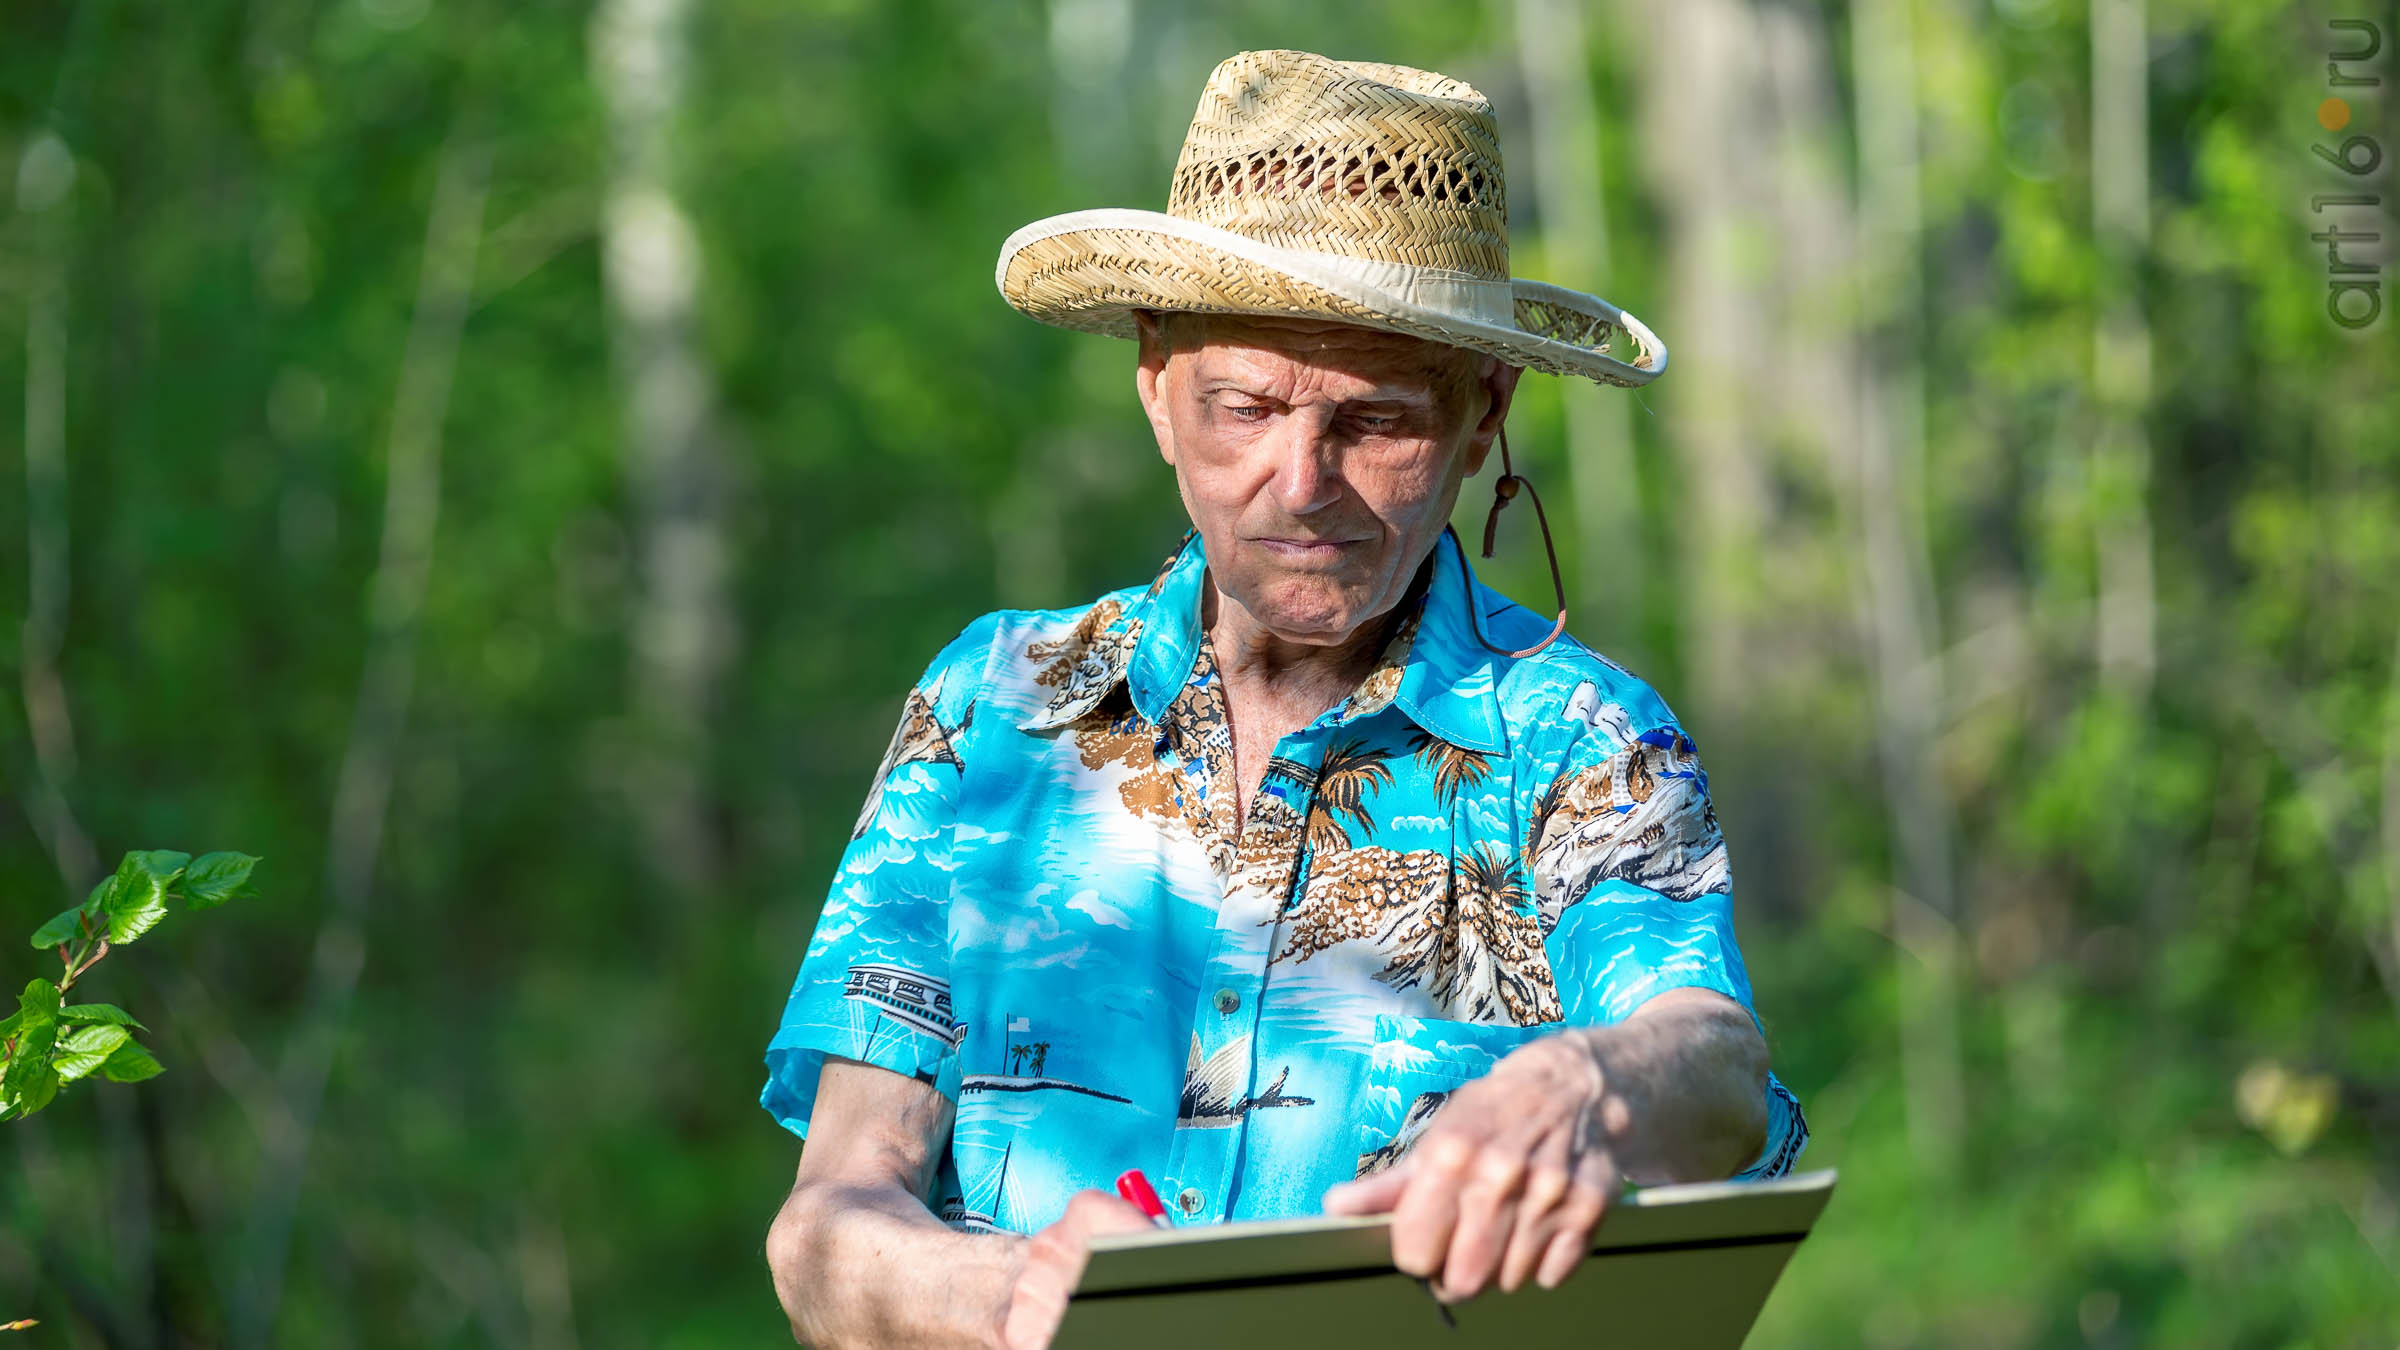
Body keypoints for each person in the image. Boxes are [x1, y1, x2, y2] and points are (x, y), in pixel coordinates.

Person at [761, 49, 1806, 1350]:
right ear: (1156, 384)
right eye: (1245, 406)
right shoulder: (995, 708)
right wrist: (1019, 1295)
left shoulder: (1584, 741)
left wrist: (1588, 1083)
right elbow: (827, 1225)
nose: (1302, 483)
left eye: (1376, 421)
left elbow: (1713, 1067)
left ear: (1483, 415)